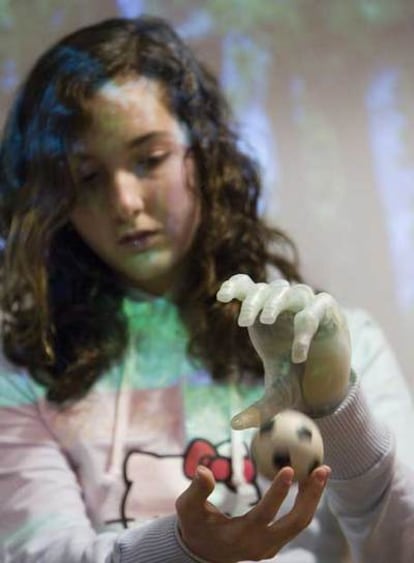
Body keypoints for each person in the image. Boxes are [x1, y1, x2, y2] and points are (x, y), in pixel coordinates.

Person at [0, 14, 413, 563]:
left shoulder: (330, 338)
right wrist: (182, 546)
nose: (125, 202)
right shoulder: (27, 370)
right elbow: (38, 554)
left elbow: (400, 547)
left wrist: (338, 407)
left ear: (205, 153)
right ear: (51, 197)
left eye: (149, 159)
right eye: (87, 178)